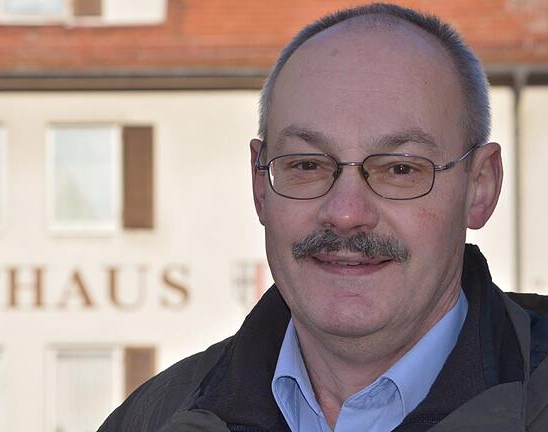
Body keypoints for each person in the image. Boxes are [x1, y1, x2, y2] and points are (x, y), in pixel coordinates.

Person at [99, 3, 548, 431]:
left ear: (480, 187)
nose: (346, 213)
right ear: (259, 184)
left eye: (400, 169)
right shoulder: (154, 418)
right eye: (307, 165)